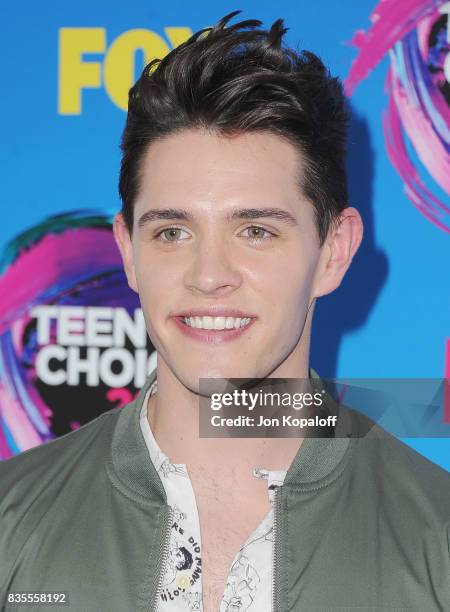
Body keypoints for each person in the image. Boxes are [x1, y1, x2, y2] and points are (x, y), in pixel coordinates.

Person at [1, 10, 449, 612]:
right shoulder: (10, 525)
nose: (209, 276)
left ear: (333, 253)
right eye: (172, 233)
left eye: (256, 231)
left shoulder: (437, 544)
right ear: (128, 253)